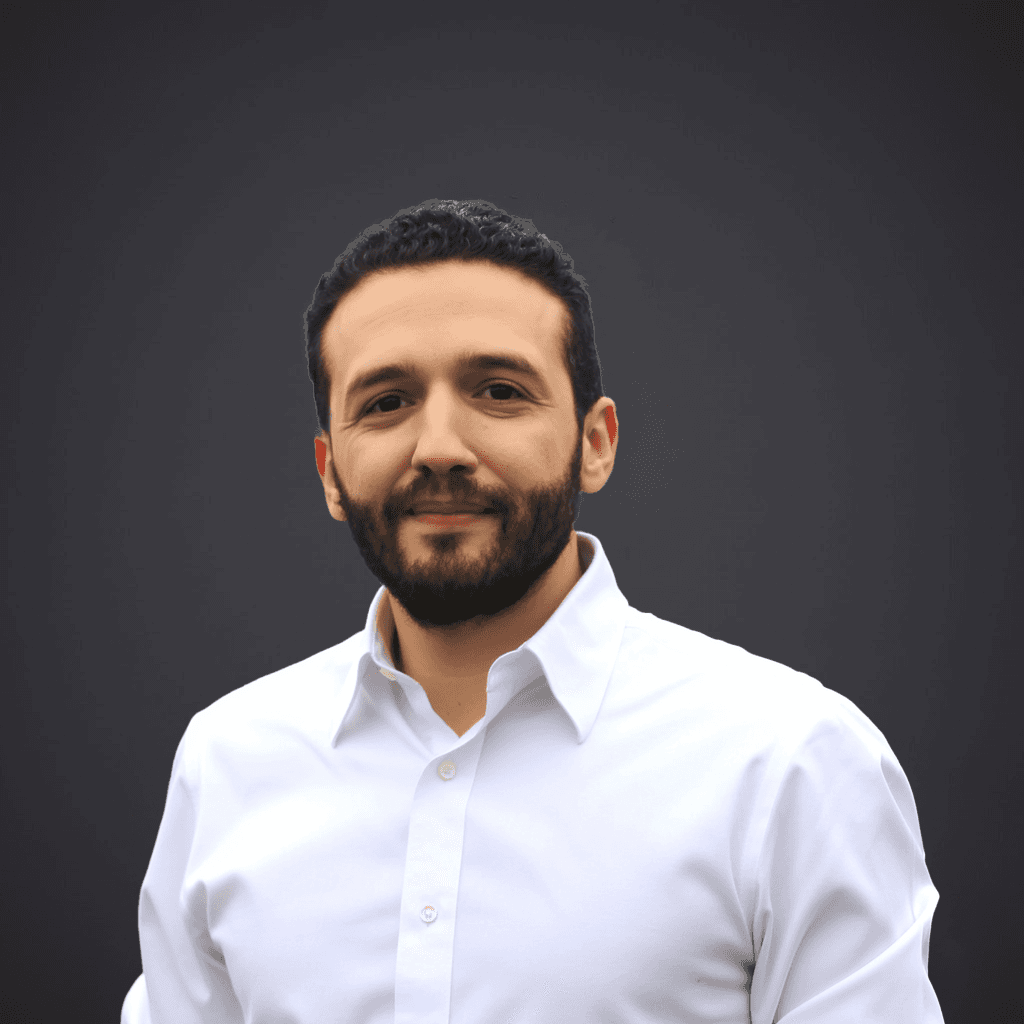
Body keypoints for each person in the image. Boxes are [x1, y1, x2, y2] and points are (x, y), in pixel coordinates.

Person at [121, 199, 944, 1023]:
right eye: (386, 402)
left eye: (499, 391)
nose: (438, 445)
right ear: (330, 471)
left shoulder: (793, 765)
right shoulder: (226, 763)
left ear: (596, 442)